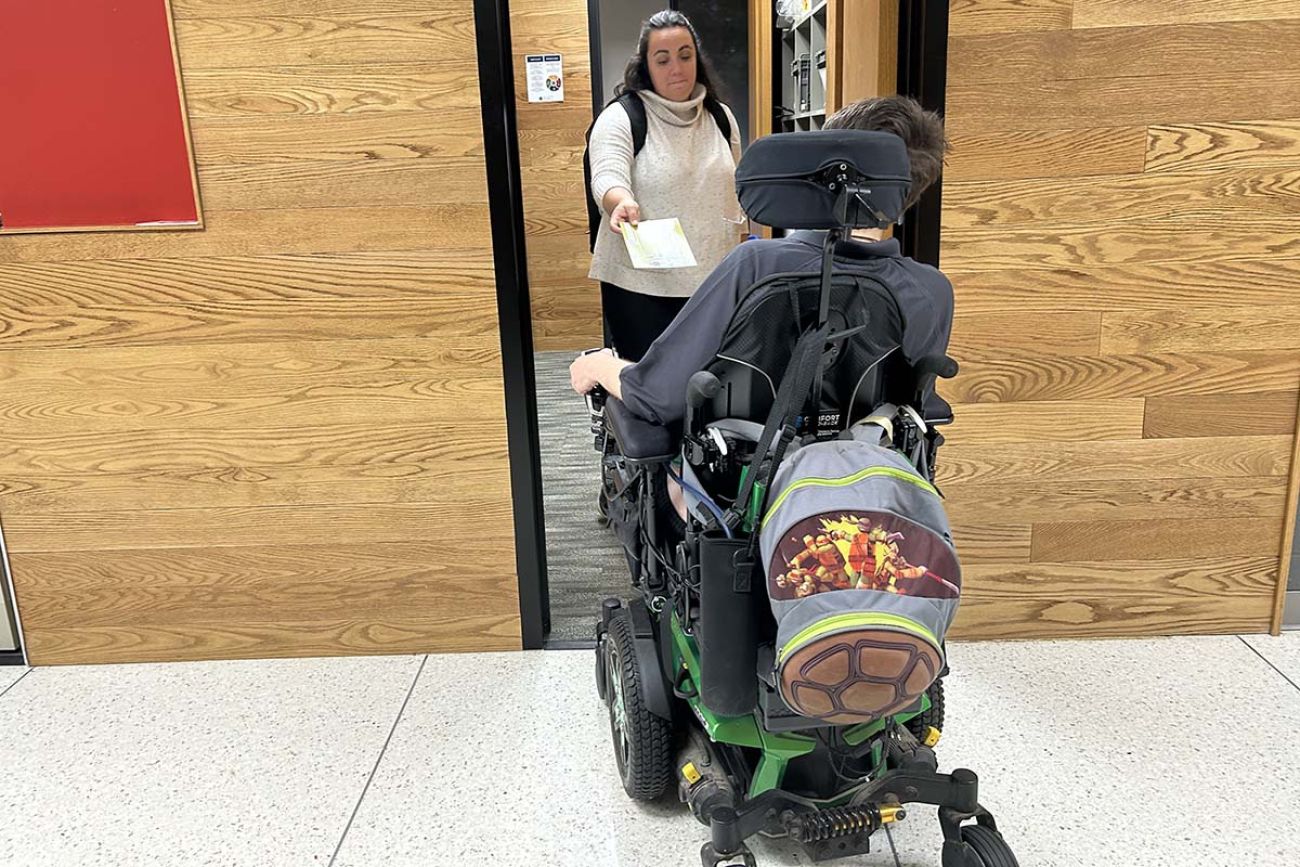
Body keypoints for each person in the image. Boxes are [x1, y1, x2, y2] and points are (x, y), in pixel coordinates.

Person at [571, 95, 954, 429]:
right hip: (869, 490)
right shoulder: (932, 290)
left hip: (748, 494)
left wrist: (600, 365)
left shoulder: (757, 266)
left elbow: (659, 395)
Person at [587, 10, 743, 362]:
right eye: (663, 59)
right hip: (642, 289)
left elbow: (735, 187)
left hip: (712, 282)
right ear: (646, 67)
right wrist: (620, 201)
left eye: (685, 56)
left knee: (707, 388)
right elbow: (607, 174)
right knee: (650, 394)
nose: (676, 68)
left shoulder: (721, 117)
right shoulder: (621, 117)